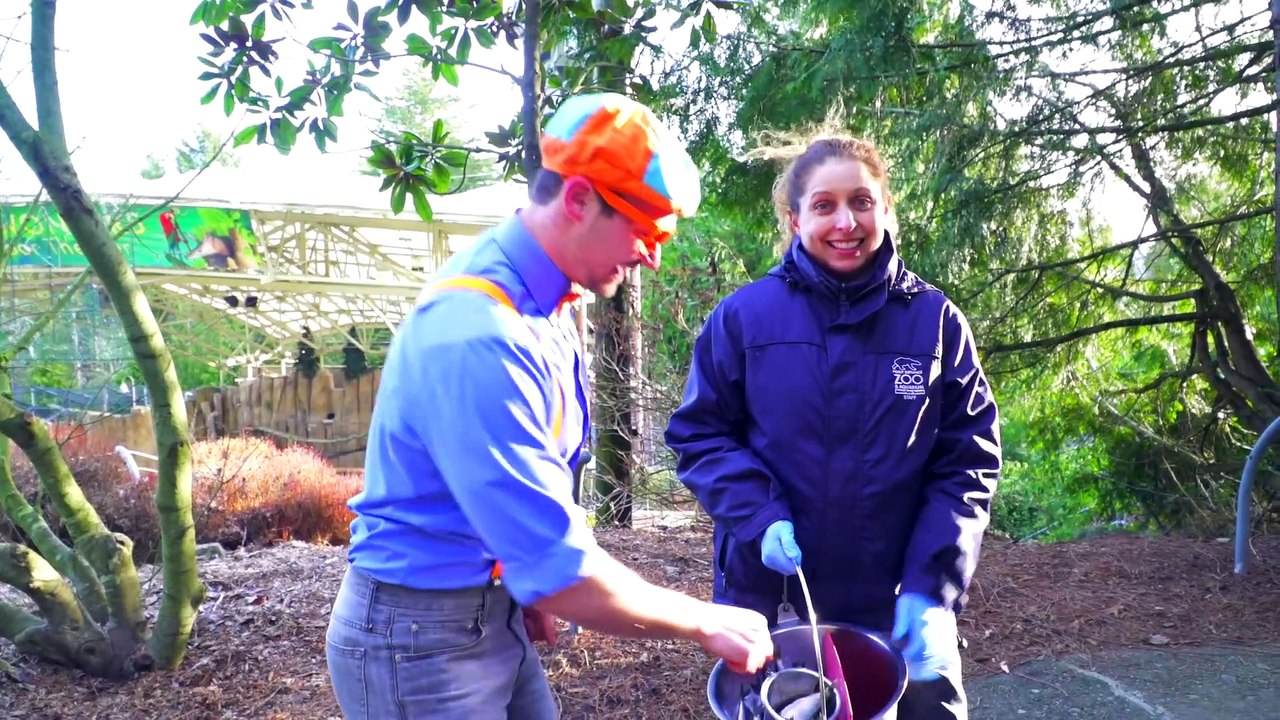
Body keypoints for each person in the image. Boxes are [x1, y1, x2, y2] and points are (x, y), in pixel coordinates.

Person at [324, 92, 774, 720]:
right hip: (419, 647)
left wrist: (517, 572)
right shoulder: (481, 333)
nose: (654, 254)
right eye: (646, 229)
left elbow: (521, 493)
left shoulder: (546, 297)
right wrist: (703, 620)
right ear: (579, 199)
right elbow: (559, 568)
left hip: (489, 611)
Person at [664, 129, 1002, 719]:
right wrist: (759, 515)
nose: (845, 221)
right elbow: (700, 434)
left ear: (885, 209)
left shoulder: (934, 321)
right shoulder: (744, 318)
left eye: (862, 201)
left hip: (900, 597)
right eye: (824, 206)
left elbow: (968, 460)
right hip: (775, 600)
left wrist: (932, 584)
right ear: (795, 220)